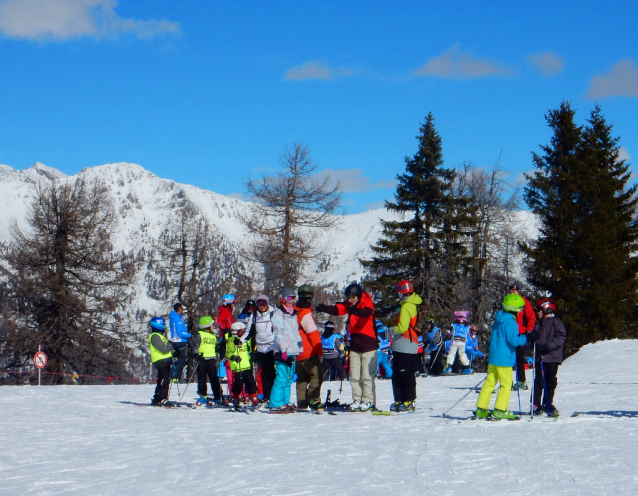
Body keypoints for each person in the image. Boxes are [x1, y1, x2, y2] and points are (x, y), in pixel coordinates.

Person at [474, 294, 538, 420]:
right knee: (506, 384)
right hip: (504, 359)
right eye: (520, 309)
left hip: (494, 357)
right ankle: (500, 409)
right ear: (514, 309)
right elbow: (514, 341)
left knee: (490, 382)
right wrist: (527, 337)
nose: (521, 311)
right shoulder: (511, 323)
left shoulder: (498, 319)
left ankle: (481, 408)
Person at [316, 283, 377, 411]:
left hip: (368, 344)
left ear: (358, 296)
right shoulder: (350, 304)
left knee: (366, 375)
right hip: (354, 344)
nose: (350, 300)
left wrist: (355, 310)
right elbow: (338, 309)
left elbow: (367, 312)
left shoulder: (367, 302)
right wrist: (325, 308)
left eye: (352, 297)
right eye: (348, 298)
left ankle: (368, 400)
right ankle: (357, 399)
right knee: (354, 374)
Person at [389, 280, 422, 412]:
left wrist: (391, 330)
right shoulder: (412, 304)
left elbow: (402, 327)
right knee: (401, 374)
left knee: (403, 374)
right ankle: (402, 400)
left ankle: (406, 401)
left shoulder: (406, 306)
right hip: (408, 344)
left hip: (404, 343)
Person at [532, 298, 567, 417]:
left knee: (550, 381)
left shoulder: (556, 323)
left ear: (546, 308)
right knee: (539, 381)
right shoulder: (539, 324)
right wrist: (530, 341)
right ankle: (536, 404)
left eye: (539, 309)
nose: (537, 312)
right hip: (540, 358)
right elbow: (533, 338)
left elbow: (561, 337)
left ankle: (548, 402)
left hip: (552, 358)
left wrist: (547, 347)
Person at [269, 287, 302, 412]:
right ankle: (275, 403)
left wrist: (300, 346)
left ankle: (285, 401)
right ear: (282, 299)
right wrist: (283, 350)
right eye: (289, 298)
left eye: (294, 298)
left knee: (289, 378)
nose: (292, 301)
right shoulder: (278, 314)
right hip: (282, 352)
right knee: (281, 378)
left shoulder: (293, 314)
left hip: (292, 351)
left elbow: (295, 333)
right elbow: (278, 334)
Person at [295, 284, 324, 411]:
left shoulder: (293, 311)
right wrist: (319, 352)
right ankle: (313, 400)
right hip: (308, 351)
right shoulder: (305, 313)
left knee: (302, 379)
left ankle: (301, 402)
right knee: (316, 377)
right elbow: (313, 335)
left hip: (297, 351)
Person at [225, 321, 259, 410]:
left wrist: (253, 355)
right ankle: (236, 397)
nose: (242, 334)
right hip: (238, 366)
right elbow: (228, 353)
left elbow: (250, 349)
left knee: (251, 381)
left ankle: (253, 396)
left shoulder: (246, 339)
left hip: (247, 364)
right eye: (240, 332)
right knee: (238, 383)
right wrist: (233, 357)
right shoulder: (231, 341)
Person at [509, 283, 536, 390]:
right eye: (511, 292)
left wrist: (529, 330)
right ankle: (507, 380)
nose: (512, 293)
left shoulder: (524, 303)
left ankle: (521, 381)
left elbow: (531, 317)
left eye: (514, 291)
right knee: (509, 357)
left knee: (519, 357)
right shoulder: (508, 302)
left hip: (521, 333)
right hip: (510, 332)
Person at [249, 294, 276, 404]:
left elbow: (278, 329)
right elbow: (249, 331)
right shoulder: (255, 315)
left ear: (267, 303)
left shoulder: (273, 313)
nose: (262, 305)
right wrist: (241, 340)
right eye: (259, 303)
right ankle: (267, 396)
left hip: (272, 347)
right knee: (264, 373)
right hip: (260, 347)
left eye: (264, 303)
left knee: (273, 372)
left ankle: (274, 396)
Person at [191, 316, 223, 406]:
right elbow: (195, 346)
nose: (213, 327)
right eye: (212, 325)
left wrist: (219, 350)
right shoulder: (199, 334)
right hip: (202, 359)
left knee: (214, 379)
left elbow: (216, 347)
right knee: (202, 379)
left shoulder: (213, 336)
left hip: (212, 360)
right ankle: (202, 396)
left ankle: (218, 396)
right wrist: (196, 355)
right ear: (208, 326)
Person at [148, 317, 175, 406]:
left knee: (164, 379)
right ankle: (161, 398)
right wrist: (171, 344)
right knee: (164, 379)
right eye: (163, 325)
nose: (164, 326)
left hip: (165, 360)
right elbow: (163, 349)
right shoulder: (155, 336)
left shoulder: (159, 336)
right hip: (160, 360)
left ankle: (158, 398)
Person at [442, 311, 472, 375]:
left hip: (455, 342)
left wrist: (447, 331)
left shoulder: (454, 325)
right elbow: (470, 335)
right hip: (462, 342)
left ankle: (448, 367)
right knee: (462, 354)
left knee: (451, 354)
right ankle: (467, 367)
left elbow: (451, 333)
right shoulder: (467, 327)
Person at [168, 303, 191, 382]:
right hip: (180, 341)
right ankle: (174, 377)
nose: (183, 310)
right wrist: (189, 335)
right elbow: (180, 333)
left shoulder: (174, 318)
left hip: (177, 341)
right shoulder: (178, 320)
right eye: (182, 308)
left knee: (180, 359)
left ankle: (176, 377)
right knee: (181, 359)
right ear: (179, 309)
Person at [217, 294, 236, 392]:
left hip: (228, 336)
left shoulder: (227, 311)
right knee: (225, 354)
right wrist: (225, 329)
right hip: (225, 337)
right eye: (233, 303)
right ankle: (222, 374)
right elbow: (219, 321)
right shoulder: (225, 311)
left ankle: (223, 373)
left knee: (227, 354)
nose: (234, 305)